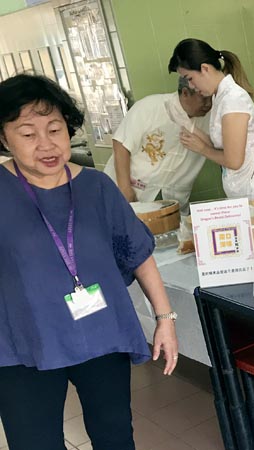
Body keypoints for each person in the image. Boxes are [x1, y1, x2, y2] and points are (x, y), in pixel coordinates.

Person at [0, 74, 179, 450]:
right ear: (4, 138)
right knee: (34, 443)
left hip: (99, 334)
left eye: (55, 129)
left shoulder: (97, 187)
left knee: (115, 436)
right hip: (21, 344)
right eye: (28, 134)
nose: (46, 145)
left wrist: (165, 320)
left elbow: (139, 253)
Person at [168, 38, 254, 203]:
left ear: (205, 68)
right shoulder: (220, 97)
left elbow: (233, 160)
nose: (191, 86)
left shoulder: (233, 99)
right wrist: (188, 125)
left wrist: (201, 148)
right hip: (244, 193)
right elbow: (223, 147)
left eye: (190, 78)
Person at [104, 77, 211, 211]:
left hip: (172, 199)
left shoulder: (211, 118)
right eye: (203, 99)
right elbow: (121, 144)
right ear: (185, 93)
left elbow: (222, 150)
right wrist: (125, 188)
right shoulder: (150, 106)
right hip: (131, 192)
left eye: (211, 97)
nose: (209, 103)